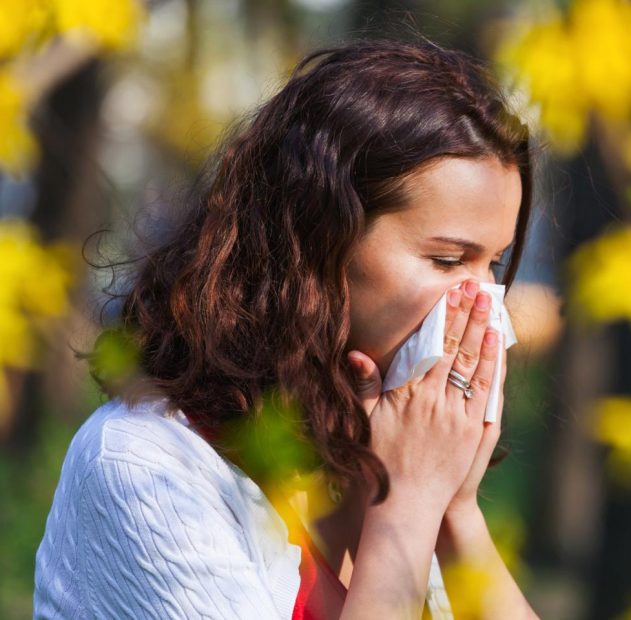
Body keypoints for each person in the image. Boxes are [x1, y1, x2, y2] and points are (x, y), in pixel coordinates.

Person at [33, 36, 541, 619]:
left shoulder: (379, 448)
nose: (484, 304)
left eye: (494, 264)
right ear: (320, 243)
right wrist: (408, 503)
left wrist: (454, 508)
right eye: (449, 261)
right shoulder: (147, 467)